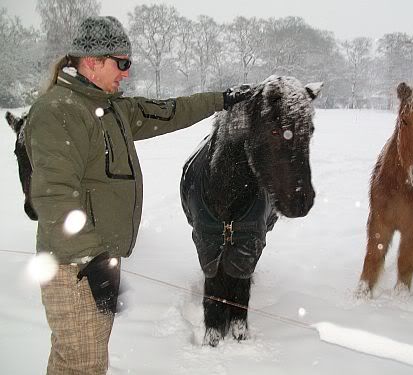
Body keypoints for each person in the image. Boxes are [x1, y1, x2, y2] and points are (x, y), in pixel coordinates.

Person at [24, 16, 251, 374]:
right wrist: (93, 260)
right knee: (84, 366)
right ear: (92, 61)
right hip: (75, 269)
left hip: (94, 262)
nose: (127, 72)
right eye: (122, 63)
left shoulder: (110, 108)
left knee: (74, 360)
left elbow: (170, 111)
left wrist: (222, 100)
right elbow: (55, 197)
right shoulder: (61, 111)